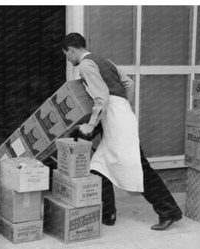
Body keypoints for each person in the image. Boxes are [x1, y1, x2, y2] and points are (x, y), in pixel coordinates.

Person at [61, 33, 182, 231]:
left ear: (71, 50)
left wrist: (90, 126)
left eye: (66, 54)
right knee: (98, 166)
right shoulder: (104, 60)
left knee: (140, 168)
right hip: (119, 114)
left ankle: (169, 211)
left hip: (115, 117)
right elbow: (129, 84)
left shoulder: (85, 65)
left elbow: (101, 97)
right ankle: (108, 214)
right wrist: (124, 105)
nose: (68, 59)